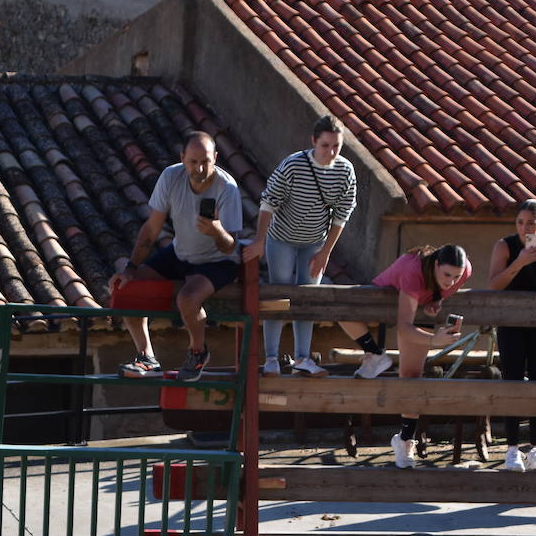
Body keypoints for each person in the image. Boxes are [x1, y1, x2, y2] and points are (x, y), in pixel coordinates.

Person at [109, 132, 243, 383]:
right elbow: (151, 229)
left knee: (188, 298)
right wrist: (131, 267)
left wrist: (215, 231)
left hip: (218, 260)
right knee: (129, 288)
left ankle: (198, 351)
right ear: (182, 158)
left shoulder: (227, 187)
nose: (199, 168)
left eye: (205, 161)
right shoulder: (170, 177)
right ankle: (146, 356)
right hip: (180, 252)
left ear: (215, 158)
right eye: (193, 162)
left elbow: (230, 246)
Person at [244, 115, 357, 377]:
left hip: (315, 241)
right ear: (314, 141)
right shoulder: (293, 165)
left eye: (336, 146)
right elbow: (268, 202)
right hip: (281, 237)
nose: (330, 152)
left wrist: (325, 253)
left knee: (307, 296)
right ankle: (271, 357)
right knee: (279, 295)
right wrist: (260, 239)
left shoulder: (345, 171)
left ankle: (303, 358)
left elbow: (342, 214)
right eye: (325, 145)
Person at [374, 245, 471, 467]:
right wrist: (433, 340)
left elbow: (449, 287)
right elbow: (403, 326)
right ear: (435, 264)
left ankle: (406, 439)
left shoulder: (465, 271)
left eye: (456, 276)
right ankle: (371, 351)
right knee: (406, 376)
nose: (452, 281)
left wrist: (438, 299)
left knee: (412, 376)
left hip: (419, 308)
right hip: (384, 301)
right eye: (447, 274)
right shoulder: (413, 271)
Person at [487, 199, 536, 472]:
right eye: (520, 222)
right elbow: (494, 284)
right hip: (511, 323)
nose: (525, 228)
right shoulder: (505, 245)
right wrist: (518, 262)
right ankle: (511, 449)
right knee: (513, 382)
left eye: (531, 222)